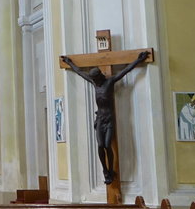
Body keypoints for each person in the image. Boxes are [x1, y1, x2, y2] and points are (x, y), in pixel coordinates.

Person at [59, 50, 152, 185]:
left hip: (109, 120)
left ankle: (111, 169)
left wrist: (139, 60)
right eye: (96, 78)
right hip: (100, 120)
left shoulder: (110, 82)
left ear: (101, 76)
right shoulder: (94, 83)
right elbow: (79, 72)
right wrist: (69, 62)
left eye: (98, 77)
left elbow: (126, 70)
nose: (97, 79)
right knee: (100, 145)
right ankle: (105, 170)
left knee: (107, 145)